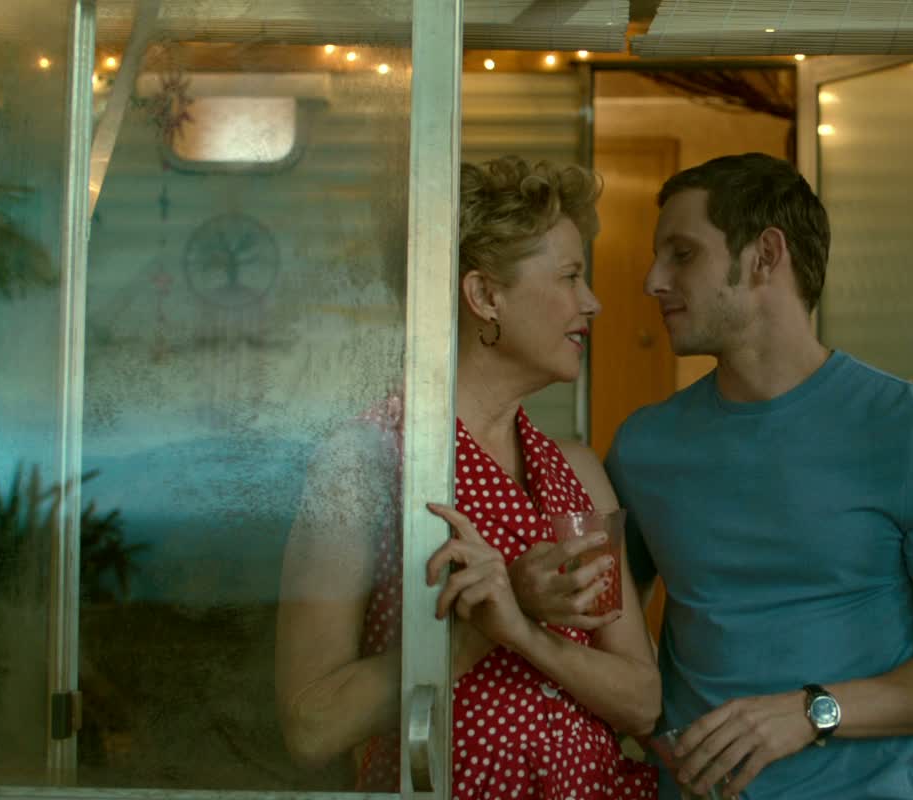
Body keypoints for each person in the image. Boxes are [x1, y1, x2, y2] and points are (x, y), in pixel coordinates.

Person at [511, 153, 913, 799]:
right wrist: (533, 594)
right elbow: (602, 636)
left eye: (682, 254)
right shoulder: (644, 445)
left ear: (764, 256)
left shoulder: (912, 435)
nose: (652, 281)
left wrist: (812, 712)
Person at [275, 155, 659, 799]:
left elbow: (643, 703)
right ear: (483, 297)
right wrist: (477, 628)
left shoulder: (578, 472)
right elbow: (311, 727)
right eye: (569, 276)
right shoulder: (364, 459)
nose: (591, 302)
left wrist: (520, 628)